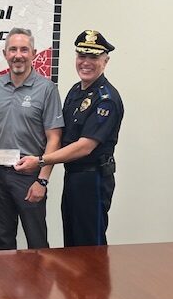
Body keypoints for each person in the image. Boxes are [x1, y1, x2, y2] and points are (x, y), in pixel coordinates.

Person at [15, 30, 124, 246]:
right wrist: (42, 174)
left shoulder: (106, 99)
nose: (86, 62)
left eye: (93, 57)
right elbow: (62, 137)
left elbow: (84, 147)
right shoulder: (77, 91)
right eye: (81, 56)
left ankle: (95, 282)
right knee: (73, 243)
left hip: (93, 179)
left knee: (90, 246)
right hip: (74, 177)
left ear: (105, 61)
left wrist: (40, 161)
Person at [0, 27, 64, 250]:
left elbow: (54, 138)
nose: (18, 55)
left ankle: (39, 286)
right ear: (5, 53)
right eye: (13, 49)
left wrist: (42, 180)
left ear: (34, 53)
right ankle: (5, 286)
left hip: (28, 175)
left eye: (24, 50)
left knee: (36, 243)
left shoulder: (47, 89)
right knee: (3, 241)